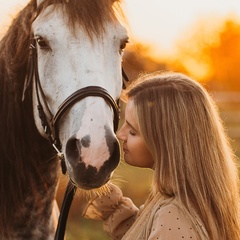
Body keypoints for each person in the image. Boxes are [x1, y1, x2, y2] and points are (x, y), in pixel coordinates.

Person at [83, 71, 240, 240]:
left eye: (133, 131)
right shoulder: (178, 199)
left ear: (166, 142)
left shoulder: (172, 215)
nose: (120, 134)